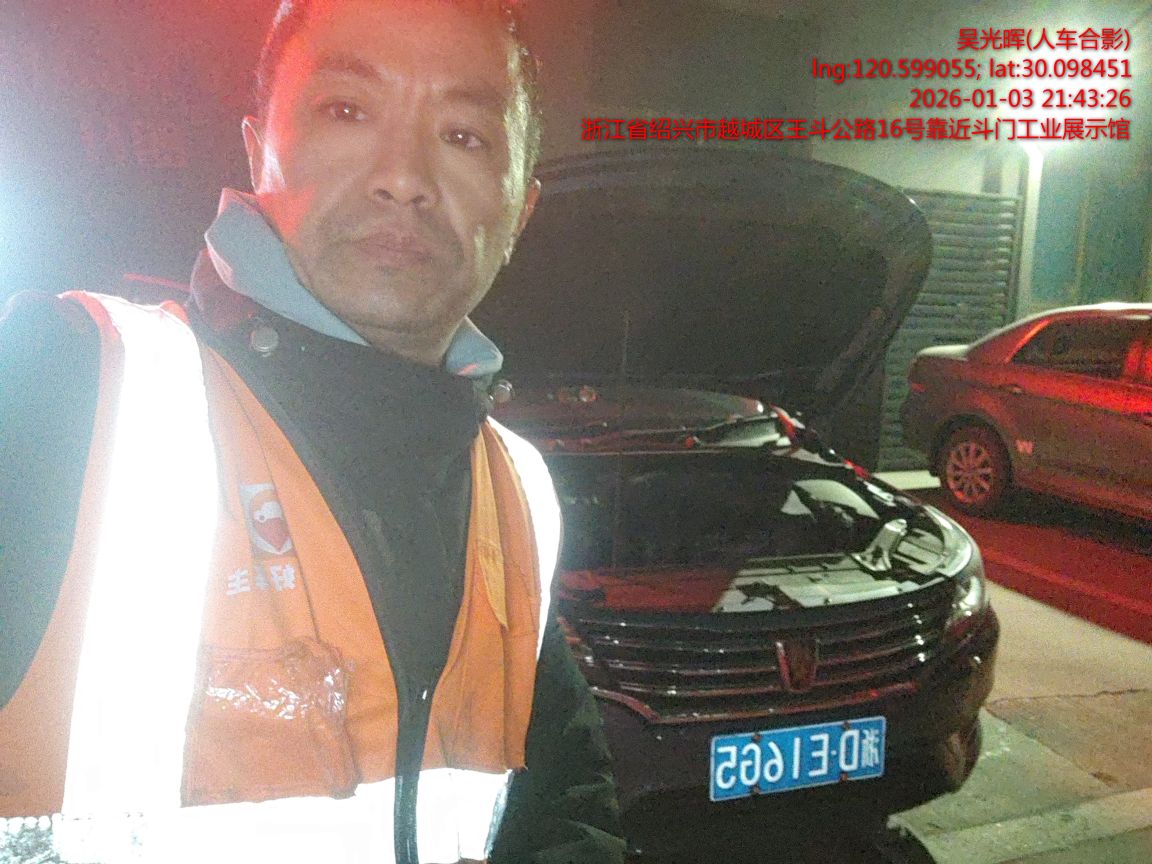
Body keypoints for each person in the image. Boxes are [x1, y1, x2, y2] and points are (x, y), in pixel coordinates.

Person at [0, 1, 626, 862]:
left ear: (521, 209)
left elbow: (560, 808)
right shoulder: (64, 387)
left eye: (464, 136)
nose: (403, 176)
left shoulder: (514, 491)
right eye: (347, 109)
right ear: (257, 149)